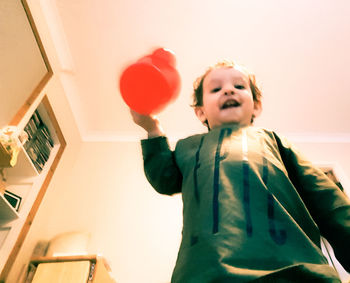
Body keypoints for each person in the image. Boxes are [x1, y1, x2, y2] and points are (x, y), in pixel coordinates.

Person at [130, 60, 350, 282]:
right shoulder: (187, 147)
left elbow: (326, 198)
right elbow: (164, 178)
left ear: (256, 106)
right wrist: (152, 128)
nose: (228, 90)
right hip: (204, 274)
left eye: (239, 86)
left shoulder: (272, 140)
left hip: (294, 271)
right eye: (216, 89)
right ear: (200, 112)